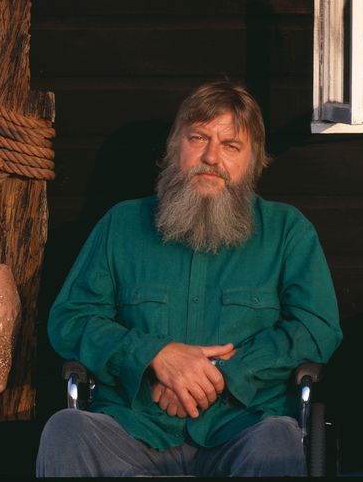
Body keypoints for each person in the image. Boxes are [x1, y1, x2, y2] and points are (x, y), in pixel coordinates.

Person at [36, 81, 343, 477]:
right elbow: (71, 319)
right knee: (66, 430)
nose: (211, 157)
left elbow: (317, 328)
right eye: (198, 138)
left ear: (253, 161)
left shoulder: (287, 231)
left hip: (243, 428)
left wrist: (216, 376)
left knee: (277, 442)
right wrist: (155, 357)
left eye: (231, 145)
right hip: (133, 428)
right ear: (173, 148)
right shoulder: (121, 225)